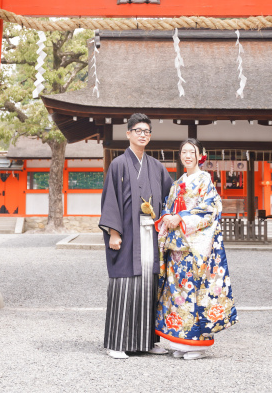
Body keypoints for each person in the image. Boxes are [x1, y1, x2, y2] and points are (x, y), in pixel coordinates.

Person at [99, 113, 173, 359]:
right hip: (127, 233)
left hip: (150, 233)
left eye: (147, 131)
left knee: (149, 286)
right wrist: (113, 232)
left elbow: (171, 197)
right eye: (138, 130)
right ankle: (117, 343)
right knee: (124, 285)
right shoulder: (119, 164)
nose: (143, 134)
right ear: (128, 133)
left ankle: (148, 341)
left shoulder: (156, 166)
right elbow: (111, 199)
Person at [155, 138, 237, 360]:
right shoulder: (177, 183)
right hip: (177, 248)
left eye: (192, 152)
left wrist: (180, 217)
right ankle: (181, 341)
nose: (188, 155)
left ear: (200, 155)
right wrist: (168, 218)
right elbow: (167, 208)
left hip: (195, 248)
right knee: (177, 294)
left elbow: (210, 209)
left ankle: (197, 345)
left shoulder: (204, 180)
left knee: (195, 293)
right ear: (180, 156)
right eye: (184, 152)